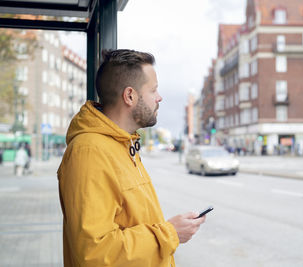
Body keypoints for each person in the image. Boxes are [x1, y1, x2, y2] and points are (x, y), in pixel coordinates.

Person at [57, 49, 206, 267]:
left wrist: (169, 231)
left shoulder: (122, 144)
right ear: (129, 96)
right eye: (153, 90)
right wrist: (169, 233)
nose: (159, 97)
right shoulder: (89, 152)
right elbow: (94, 252)